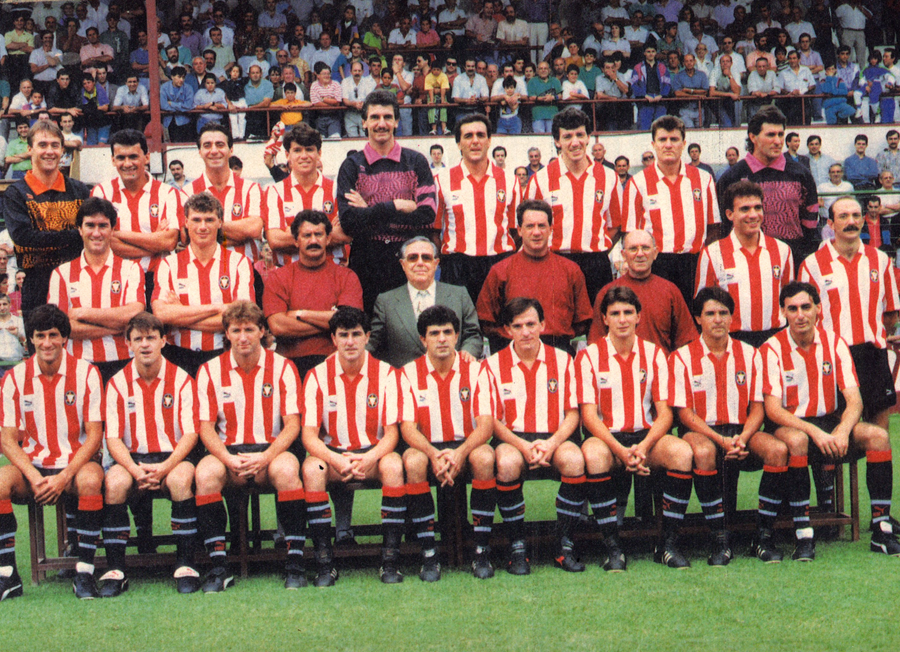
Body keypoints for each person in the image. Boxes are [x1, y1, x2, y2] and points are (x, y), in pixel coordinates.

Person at [762, 281, 900, 560]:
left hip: (829, 423)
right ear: (782, 313)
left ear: (818, 309)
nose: (800, 315)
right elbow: (773, 410)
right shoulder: (771, 348)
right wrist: (816, 432)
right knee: (798, 440)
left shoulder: (835, 343)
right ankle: (804, 535)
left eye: (805, 307)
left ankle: (881, 529)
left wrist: (842, 430)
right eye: (792, 309)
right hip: (791, 426)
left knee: (878, 436)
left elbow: (855, 400)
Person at [670, 286, 792, 564]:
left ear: (732, 318)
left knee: (777, 450)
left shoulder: (751, 354)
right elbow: (685, 415)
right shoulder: (681, 357)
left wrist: (742, 437)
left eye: (723, 313)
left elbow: (758, 408)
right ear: (698, 318)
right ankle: (720, 540)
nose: (717, 319)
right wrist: (721, 440)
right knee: (702, 452)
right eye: (710, 313)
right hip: (702, 432)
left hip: (742, 432)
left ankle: (763, 537)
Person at [578, 286, 694, 570]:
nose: (622, 319)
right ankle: (613, 547)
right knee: (592, 455)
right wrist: (620, 450)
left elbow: (665, 413)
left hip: (645, 438)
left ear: (638, 316)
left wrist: (641, 448)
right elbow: (589, 417)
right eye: (615, 313)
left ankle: (667, 544)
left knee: (681, 452)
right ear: (604, 318)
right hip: (607, 439)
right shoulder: (589, 356)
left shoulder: (654, 354)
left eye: (628, 312)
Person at [194, 301, 306, 591]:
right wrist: (228, 459)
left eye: (249, 329)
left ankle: (294, 564)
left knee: (287, 471)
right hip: (227, 453)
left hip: (272, 451)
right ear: (227, 334)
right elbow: (205, 427)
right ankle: (219, 568)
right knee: (205, 474)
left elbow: (292, 423)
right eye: (236, 330)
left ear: (262, 332)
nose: (243, 336)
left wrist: (267, 456)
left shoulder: (283, 367)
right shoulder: (209, 370)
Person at [0, 304, 103, 600]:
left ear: (64, 339)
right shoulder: (14, 378)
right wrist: (34, 477)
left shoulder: (87, 374)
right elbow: (7, 440)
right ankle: (8, 574)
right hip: (33, 469)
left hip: (74, 467)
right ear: (30, 339)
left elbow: (94, 435)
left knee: (91, 481)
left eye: (53, 335)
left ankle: (84, 572)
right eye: (40, 336)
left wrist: (64, 475)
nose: (47, 343)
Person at [477, 297, 584, 574]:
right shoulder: (492, 365)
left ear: (543, 325)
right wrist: (523, 446)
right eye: (518, 325)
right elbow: (492, 421)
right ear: (506, 330)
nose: (525, 331)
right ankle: (517, 546)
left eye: (531, 324)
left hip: (555, 437)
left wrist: (551, 443)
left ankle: (564, 544)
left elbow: (573, 413)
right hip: (512, 439)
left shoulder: (563, 360)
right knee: (508, 463)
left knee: (574, 461)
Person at [301, 307, 405, 585]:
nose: (350, 342)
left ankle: (390, 560)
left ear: (367, 337)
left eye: (356, 334)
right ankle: (325, 562)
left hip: (374, 454)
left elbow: (392, 434)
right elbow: (309, 436)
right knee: (312, 468)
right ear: (333, 339)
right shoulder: (316, 376)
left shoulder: (387, 374)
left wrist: (369, 458)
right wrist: (336, 460)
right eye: (343, 335)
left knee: (394, 465)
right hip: (332, 458)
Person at [100, 312, 201, 596]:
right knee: (116, 483)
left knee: (181, 480)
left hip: (173, 458)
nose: (145, 345)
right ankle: (116, 569)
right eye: (138, 339)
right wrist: (135, 470)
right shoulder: (117, 383)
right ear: (128, 344)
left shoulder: (181, 380)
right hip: (132, 460)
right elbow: (113, 438)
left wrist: (166, 467)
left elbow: (191, 433)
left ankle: (185, 565)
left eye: (151, 338)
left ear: (163, 341)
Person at [397, 304, 495, 580]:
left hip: (466, 445)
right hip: (428, 449)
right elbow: (408, 428)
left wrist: (461, 453)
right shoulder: (407, 373)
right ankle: (429, 554)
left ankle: (481, 550)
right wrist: (432, 454)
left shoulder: (476, 370)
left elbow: (485, 424)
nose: (441, 338)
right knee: (412, 460)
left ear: (457, 336)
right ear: (423, 339)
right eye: (434, 333)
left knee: (485, 457)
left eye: (447, 332)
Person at [799, 196, 900, 431]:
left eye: (856, 216)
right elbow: (803, 319)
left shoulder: (881, 260)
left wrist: (873, 334)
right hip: (831, 357)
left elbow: (891, 313)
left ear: (864, 220)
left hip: (873, 356)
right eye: (843, 216)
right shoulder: (812, 265)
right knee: (834, 435)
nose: (850, 221)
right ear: (831, 224)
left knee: (879, 434)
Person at [336, 90, 436, 313]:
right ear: (364, 122)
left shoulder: (416, 161)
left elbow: (427, 216)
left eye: (387, 117)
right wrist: (396, 205)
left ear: (397, 122)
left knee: (410, 336)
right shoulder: (351, 166)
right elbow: (349, 222)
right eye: (374, 117)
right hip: (366, 264)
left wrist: (369, 212)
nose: (381, 124)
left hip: (408, 263)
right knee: (370, 335)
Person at [152, 192, 254, 377]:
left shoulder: (239, 263)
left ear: (220, 222)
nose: (203, 227)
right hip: (178, 356)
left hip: (223, 354)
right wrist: (218, 308)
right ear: (186, 222)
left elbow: (242, 319)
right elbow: (161, 314)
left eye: (209, 219)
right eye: (196, 220)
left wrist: (181, 313)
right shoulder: (169, 264)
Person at [526, 108, 622, 304]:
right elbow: (530, 227)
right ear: (557, 141)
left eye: (580, 134)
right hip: (555, 262)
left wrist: (594, 245)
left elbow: (615, 225)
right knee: (556, 330)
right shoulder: (540, 179)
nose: (575, 142)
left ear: (588, 138)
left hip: (596, 263)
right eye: (567, 136)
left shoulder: (609, 177)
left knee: (596, 329)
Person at [622, 115, 720, 305]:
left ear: (683, 144)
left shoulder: (704, 179)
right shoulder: (638, 183)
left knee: (693, 323)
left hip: (694, 263)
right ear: (653, 144)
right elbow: (630, 233)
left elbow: (714, 227)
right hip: (657, 264)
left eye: (674, 139)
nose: (668, 145)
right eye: (662, 139)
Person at [47, 195, 144, 383]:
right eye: (90, 225)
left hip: (124, 363)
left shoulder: (131, 269)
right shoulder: (62, 273)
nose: (97, 233)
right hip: (78, 365)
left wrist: (83, 313)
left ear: (113, 229)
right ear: (80, 230)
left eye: (103, 226)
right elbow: (61, 329)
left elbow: (133, 316)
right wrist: (117, 327)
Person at [477, 199, 592, 354]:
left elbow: (582, 322)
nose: (536, 232)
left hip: (557, 350)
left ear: (551, 229)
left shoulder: (571, 270)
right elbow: (486, 321)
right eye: (530, 226)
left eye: (542, 226)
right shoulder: (500, 271)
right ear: (519, 230)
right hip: (513, 350)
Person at [263, 208, 363, 378]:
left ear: (328, 238)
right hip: (290, 365)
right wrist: (330, 320)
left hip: (334, 363)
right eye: (307, 236)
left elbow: (350, 322)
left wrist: (300, 314)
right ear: (296, 241)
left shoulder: (346, 276)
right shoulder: (278, 278)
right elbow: (277, 326)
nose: (313, 241)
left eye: (319, 234)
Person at [695, 180, 794, 348]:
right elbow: (702, 305)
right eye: (744, 209)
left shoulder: (782, 250)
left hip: (775, 339)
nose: (753, 215)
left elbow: (790, 300)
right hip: (732, 341)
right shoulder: (712, 253)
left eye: (757, 207)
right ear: (729, 214)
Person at [6, 120, 89, 318]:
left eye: (55, 145)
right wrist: (76, 235)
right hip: (37, 285)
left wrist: (46, 237)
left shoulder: (80, 189)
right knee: (42, 347)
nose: (49, 151)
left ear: (62, 150)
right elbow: (24, 238)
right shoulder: (16, 193)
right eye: (42, 145)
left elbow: (92, 233)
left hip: (79, 282)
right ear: (30, 149)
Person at [717, 106, 819, 267]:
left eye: (780, 134)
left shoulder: (801, 174)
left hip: (792, 262)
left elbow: (810, 223)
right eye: (770, 135)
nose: (778, 141)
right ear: (753, 137)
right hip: (745, 264)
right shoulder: (732, 177)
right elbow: (724, 226)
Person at [91, 130, 182, 307]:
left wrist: (118, 234)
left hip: (157, 279)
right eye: (121, 158)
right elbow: (103, 242)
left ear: (146, 157)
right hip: (115, 279)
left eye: (133, 157)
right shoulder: (101, 193)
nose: (127, 164)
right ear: (112, 160)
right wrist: (153, 243)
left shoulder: (167, 193)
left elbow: (169, 242)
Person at [434, 114, 518, 305]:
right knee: (457, 329)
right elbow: (434, 231)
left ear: (489, 141)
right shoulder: (442, 180)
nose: (475, 141)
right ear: (458, 143)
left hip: (499, 263)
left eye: (480, 135)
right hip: (457, 266)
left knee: (500, 330)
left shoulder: (509, 180)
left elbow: (515, 230)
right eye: (468, 136)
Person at [369, 236, 480, 368]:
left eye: (426, 257)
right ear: (403, 264)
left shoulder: (459, 294)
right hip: (404, 381)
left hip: (451, 376)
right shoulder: (386, 301)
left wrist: (468, 351)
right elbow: (373, 343)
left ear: (436, 263)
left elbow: (473, 334)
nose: (420, 263)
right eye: (412, 258)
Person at [588, 229, 696, 354]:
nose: (640, 254)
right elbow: (596, 344)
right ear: (623, 255)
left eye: (645, 248)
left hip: (660, 370)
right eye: (633, 249)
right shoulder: (607, 292)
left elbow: (686, 342)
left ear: (655, 253)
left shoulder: (670, 291)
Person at [265, 124, 346, 268]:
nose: (304, 156)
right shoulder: (275, 191)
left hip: (331, 275)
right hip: (289, 278)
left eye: (309, 149)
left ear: (319, 153)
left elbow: (344, 235)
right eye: (297, 150)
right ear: (287, 155)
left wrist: (292, 233)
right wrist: (326, 234)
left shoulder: (336, 188)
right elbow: (275, 240)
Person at [188, 124, 264, 263]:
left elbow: (254, 229)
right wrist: (241, 233)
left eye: (220, 144)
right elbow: (186, 235)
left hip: (247, 271)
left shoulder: (251, 188)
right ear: (199, 151)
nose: (214, 150)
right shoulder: (187, 192)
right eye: (207, 145)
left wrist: (206, 230)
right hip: (202, 274)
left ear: (231, 150)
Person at [631, 45, 671, 130]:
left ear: (656, 53)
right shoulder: (638, 67)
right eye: (648, 51)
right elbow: (634, 85)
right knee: (644, 128)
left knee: (660, 128)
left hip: (660, 101)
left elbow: (667, 84)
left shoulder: (662, 67)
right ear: (644, 53)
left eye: (653, 51)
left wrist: (661, 95)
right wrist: (644, 95)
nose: (651, 54)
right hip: (645, 101)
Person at [160, 66, 194, 143]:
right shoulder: (164, 87)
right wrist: (181, 108)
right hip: (169, 122)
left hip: (184, 121)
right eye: (179, 77)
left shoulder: (188, 88)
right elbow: (163, 105)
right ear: (172, 77)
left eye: (183, 77)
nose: (181, 80)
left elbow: (188, 106)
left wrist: (172, 103)